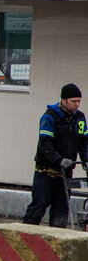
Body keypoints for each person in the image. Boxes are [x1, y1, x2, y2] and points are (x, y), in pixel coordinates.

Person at [22, 83, 88, 228]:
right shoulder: (50, 117)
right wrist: (58, 160)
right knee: (39, 205)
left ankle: (57, 238)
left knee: (61, 209)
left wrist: (86, 159)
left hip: (65, 173)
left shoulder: (80, 119)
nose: (77, 105)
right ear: (63, 100)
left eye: (79, 101)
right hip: (45, 172)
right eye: (73, 101)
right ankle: (25, 234)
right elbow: (45, 144)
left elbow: (84, 142)